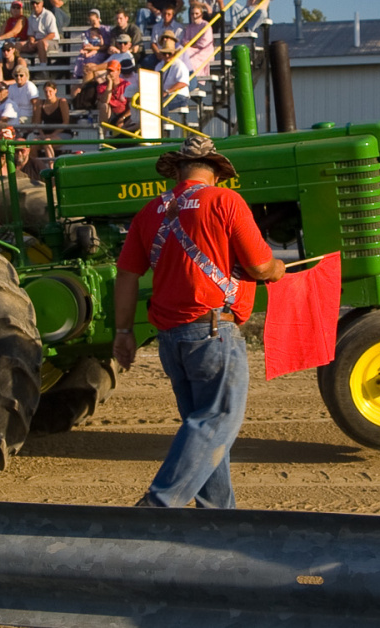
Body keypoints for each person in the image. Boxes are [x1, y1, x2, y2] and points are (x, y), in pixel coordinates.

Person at [114, 135, 285, 508]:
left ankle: (217, 521)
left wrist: (123, 332)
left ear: (177, 172)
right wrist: (278, 269)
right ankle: (159, 504)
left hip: (171, 339)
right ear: (217, 174)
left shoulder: (150, 212)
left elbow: (126, 275)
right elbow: (259, 266)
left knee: (203, 432)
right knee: (217, 419)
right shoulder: (225, 201)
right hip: (212, 333)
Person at [33, 80, 70, 159]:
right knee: (33, 143)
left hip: (62, 133)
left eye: (50, 91)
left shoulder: (62, 102)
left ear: (55, 91)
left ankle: (51, 164)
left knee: (47, 142)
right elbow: (37, 123)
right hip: (46, 134)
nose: (48, 94)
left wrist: (53, 134)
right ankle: (35, 164)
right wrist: (42, 134)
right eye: (46, 91)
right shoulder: (40, 103)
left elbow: (66, 122)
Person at [181, 1, 215, 85]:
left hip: (204, 52)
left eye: (197, 13)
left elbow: (203, 43)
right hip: (192, 49)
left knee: (187, 52)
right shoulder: (189, 27)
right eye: (192, 14)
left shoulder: (206, 25)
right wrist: (188, 44)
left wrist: (190, 45)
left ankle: (193, 81)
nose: (194, 16)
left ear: (201, 14)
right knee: (181, 51)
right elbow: (185, 40)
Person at [20, 0, 59, 65]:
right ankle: (18, 66)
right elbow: (31, 34)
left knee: (41, 43)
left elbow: (52, 34)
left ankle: (43, 68)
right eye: (33, 3)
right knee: (18, 45)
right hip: (37, 41)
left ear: (42, 3)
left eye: (37, 3)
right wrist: (31, 42)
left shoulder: (48, 15)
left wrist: (38, 42)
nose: (35, 5)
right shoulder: (31, 18)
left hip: (51, 42)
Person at [156, 37, 190, 113]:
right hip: (164, 95)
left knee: (162, 104)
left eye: (169, 53)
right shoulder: (159, 66)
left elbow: (183, 83)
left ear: (174, 54)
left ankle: (164, 120)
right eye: (164, 53)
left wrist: (167, 91)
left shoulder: (179, 65)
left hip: (179, 95)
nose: (167, 56)